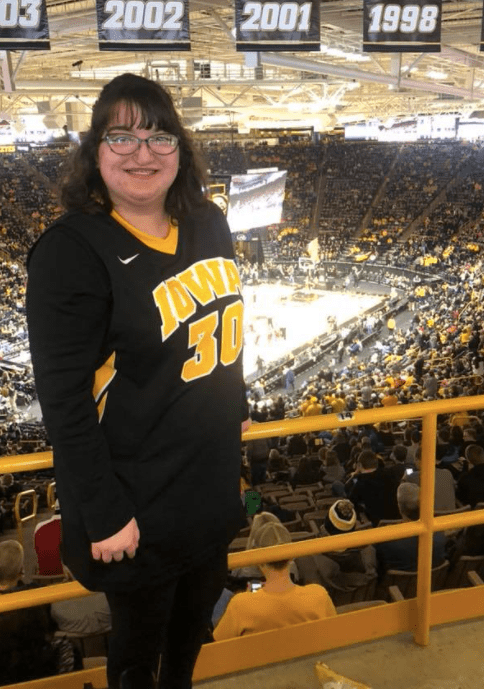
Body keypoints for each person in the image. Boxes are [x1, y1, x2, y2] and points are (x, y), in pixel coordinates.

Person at [26, 73, 249, 689]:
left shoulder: (208, 222)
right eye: (121, 137)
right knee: (136, 659)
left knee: (189, 641)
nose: (142, 153)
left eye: (159, 136)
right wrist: (102, 512)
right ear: (94, 152)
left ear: (180, 148)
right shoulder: (70, 251)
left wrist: (237, 404)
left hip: (208, 489)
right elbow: (64, 403)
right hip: (136, 502)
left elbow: (224, 323)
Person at [213, 514, 336, 640]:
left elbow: (215, 646)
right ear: (292, 556)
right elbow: (334, 637)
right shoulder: (319, 596)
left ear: (256, 556)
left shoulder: (239, 605)